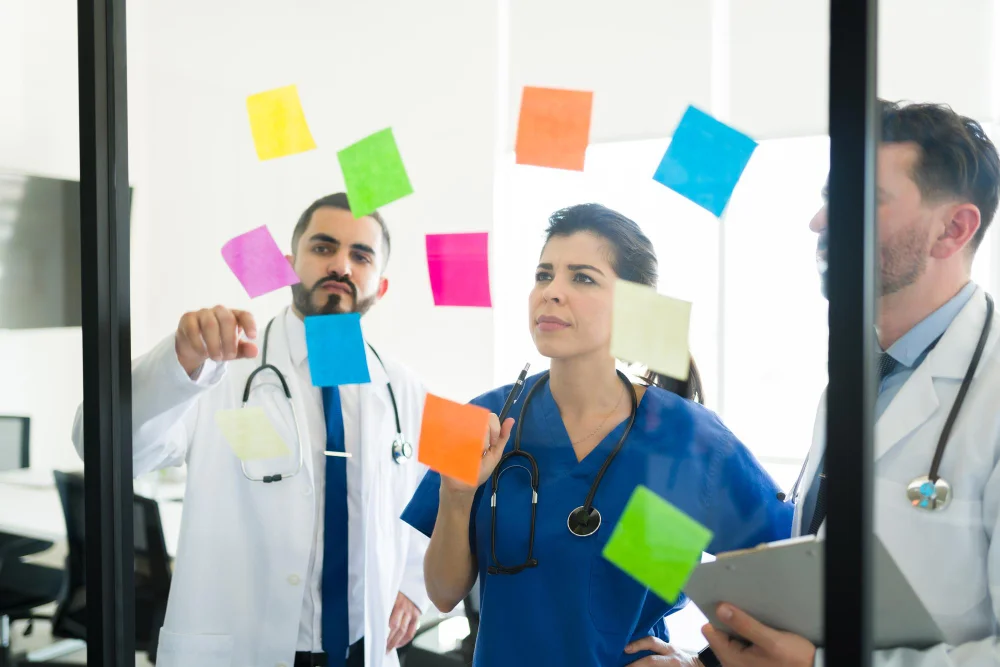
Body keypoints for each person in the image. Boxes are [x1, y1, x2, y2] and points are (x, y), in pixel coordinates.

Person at [632, 101, 1000, 667]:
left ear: (952, 230)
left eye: (862, 200)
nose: (821, 222)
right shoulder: (855, 380)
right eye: (830, 197)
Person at [399, 203, 793, 667]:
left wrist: (700, 662)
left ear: (634, 307)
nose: (552, 292)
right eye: (544, 274)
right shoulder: (481, 417)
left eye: (582, 277)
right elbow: (443, 595)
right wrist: (457, 492)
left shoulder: (688, 438)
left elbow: (787, 574)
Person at [71, 193, 431, 667]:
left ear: (380, 286)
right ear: (289, 265)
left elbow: (426, 498)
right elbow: (100, 446)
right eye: (323, 248)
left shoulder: (403, 389)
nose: (340, 265)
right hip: (242, 649)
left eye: (360, 255)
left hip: (362, 650)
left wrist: (412, 584)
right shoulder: (220, 369)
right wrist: (177, 365)